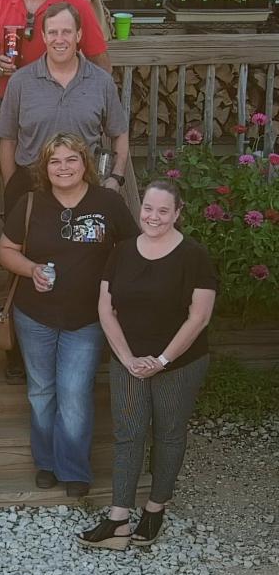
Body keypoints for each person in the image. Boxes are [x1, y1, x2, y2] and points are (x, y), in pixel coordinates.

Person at [0, 133, 138, 498]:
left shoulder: (107, 202)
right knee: (41, 391)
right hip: (35, 314)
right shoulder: (30, 203)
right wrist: (30, 270)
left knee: (74, 392)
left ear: (85, 164)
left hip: (88, 318)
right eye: (55, 161)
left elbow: (131, 250)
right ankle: (45, 463)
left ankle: (74, 468)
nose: (63, 167)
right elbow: (5, 250)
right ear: (45, 168)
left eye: (71, 159)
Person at [78, 179, 217, 550]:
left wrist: (163, 360)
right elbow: (105, 308)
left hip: (180, 362)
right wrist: (126, 358)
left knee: (169, 433)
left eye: (163, 211)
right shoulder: (122, 251)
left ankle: (155, 508)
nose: (153, 217)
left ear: (177, 213)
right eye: (148, 209)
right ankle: (118, 517)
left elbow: (199, 317)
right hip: (129, 360)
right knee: (128, 434)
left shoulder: (194, 255)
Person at [0, 2, 130, 218]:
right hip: (32, 186)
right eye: (53, 32)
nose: (60, 39)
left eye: (66, 32)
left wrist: (116, 177)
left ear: (78, 35)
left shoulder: (101, 82)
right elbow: (8, 139)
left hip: (86, 186)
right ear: (44, 36)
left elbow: (120, 132)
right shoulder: (20, 82)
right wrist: (12, 186)